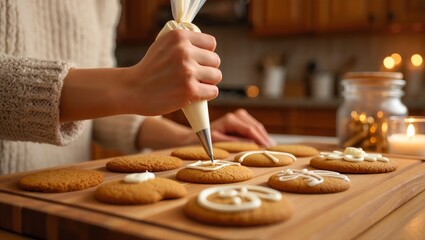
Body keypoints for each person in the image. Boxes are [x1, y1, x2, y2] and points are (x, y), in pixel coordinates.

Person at [0, 0, 274, 174]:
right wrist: (130, 84)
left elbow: (103, 107)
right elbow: (117, 92)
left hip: (72, 204)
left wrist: (187, 139)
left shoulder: (105, 4)